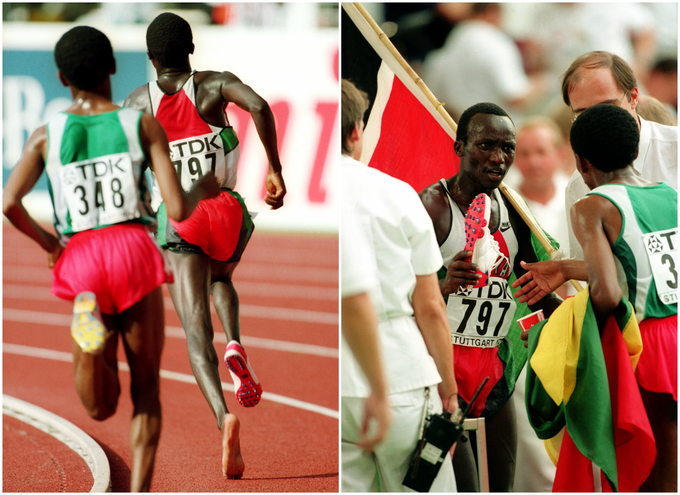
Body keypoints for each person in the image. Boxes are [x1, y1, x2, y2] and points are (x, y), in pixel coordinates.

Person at [2, 26, 220, 492]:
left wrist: (51, 246)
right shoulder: (139, 124)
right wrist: (203, 187)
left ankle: (93, 347)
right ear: (114, 68)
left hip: (80, 256)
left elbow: (7, 203)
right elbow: (177, 210)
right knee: (146, 392)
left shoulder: (46, 134)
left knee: (99, 407)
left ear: (62, 78)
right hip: (134, 252)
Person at [124, 12, 286, 479]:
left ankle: (223, 417)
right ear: (191, 48)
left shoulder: (138, 102)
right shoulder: (214, 85)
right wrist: (275, 169)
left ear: (151, 58)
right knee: (222, 278)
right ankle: (236, 340)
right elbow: (259, 106)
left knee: (195, 333)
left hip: (181, 217)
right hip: (227, 210)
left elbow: (129, 159)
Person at [514, 103, 677, 491]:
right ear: (635, 150)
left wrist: (558, 331)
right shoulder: (670, 195)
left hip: (641, 345)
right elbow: (641, 272)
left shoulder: (593, 205)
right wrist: (569, 268)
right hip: (674, 336)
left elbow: (607, 294)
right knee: (670, 465)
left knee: (638, 470)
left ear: (581, 163)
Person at [419, 102, 563, 491]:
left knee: (502, 484)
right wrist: (443, 282)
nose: (499, 158)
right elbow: (397, 289)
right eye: (485, 145)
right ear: (459, 146)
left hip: (493, 371)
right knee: (459, 485)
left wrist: (582, 319)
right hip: (440, 373)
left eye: (507, 147)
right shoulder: (432, 206)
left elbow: (534, 288)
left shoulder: (514, 208)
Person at [341, 79, 459, 492]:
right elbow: (429, 306)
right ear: (357, 131)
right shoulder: (395, 193)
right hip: (400, 372)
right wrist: (449, 389)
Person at [561, 51, 677, 260]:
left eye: (607, 106)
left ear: (633, 97)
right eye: (583, 113)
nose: (598, 120)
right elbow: (589, 267)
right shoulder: (579, 185)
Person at [423, 3, 547, 122]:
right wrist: (540, 82)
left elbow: (432, 93)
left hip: (455, 129)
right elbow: (516, 98)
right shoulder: (496, 42)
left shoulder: (451, 42)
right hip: (493, 132)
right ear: (491, 12)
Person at [341, 202, 391, 452]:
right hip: (392, 362)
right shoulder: (399, 194)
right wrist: (379, 392)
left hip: (346, 381)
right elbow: (430, 307)